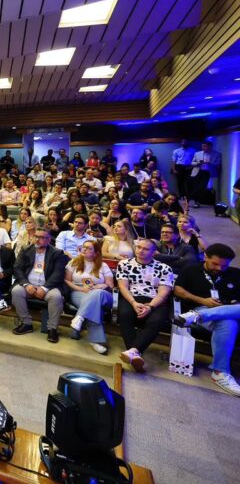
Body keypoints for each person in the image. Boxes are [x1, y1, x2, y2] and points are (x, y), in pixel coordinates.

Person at [173, 243, 240, 396]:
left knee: (228, 317)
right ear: (205, 257)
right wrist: (203, 301)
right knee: (228, 323)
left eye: (224, 266)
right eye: (215, 264)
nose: (219, 268)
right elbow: (178, 290)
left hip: (229, 312)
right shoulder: (191, 269)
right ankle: (220, 372)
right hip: (200, 307)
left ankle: (197, 317)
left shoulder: (236, 274)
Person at [115, 239, 174, 372]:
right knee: (125, 314)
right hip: (131, 297)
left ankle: (132, 351)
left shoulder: (164, 268)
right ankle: (135, 353)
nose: (140, 251)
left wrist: (150, 307)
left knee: (156, 320)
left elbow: (163, 293)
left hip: (154, 300)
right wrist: (133, 302)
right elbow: (123, 286)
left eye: (145, 249)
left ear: (154, 252)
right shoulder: (124, 263)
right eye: (139, 247)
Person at [11, 226, 68, 342]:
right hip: (29, 285)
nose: (37, 239)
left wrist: (44, 288)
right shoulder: (26, 249)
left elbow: (58, 273)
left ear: (49, 240)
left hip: (48, 286)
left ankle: (52, 329)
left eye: (42, 237)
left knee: (56, 296)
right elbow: (17, 268)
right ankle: (26, 323)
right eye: (36, 236)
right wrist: (26, 284)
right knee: (16, 291)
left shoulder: (57, 253)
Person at [65, 240, 114, 355]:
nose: (84, 249)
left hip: (102, 294)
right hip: (79, 292)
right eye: (83, 247)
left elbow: (110, 284)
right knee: (95, 306)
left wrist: (102, 285)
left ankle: (80, 317)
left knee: (96, 294)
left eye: (88, 248)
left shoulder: (103, 265)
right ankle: (96, 340)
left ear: (96, 253)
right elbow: (67, 280)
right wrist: (81, 289)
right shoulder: (74, 262)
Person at [189, 141, 221, 207]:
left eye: (204, 146)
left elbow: (218, 165)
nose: (203, 147)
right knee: (195, 187)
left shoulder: (217, 154)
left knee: (201, 188)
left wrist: (209, 163)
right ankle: (196, 202)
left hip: (208, 173)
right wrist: (198, 163)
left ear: (210, 146)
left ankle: (192, 198)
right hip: (198, 172)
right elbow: (192, 163)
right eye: (202, 146)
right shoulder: (197, 153)